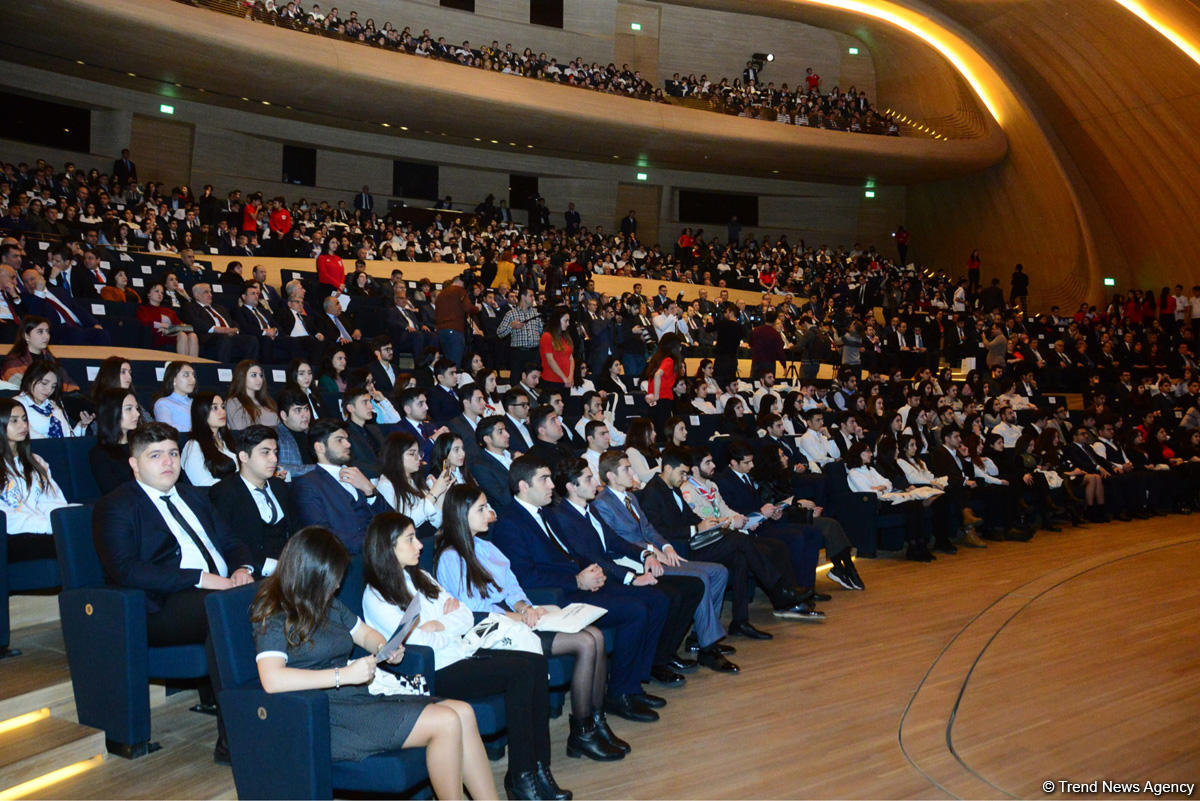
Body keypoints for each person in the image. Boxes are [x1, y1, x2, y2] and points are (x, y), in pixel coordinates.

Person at [251, 527, 497, 801]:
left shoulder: (327, 603)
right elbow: (272, 680)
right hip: (323, 713)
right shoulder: (274, 613)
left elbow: (364, 633)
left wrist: (384, 647)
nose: (336, 586)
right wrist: (342, 675)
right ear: (311, 573)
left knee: (463, 712)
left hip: (354, 698)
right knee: (447, 721)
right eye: (332, 579)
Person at [362, 512, 569, 800]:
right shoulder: (376, 595)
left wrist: (438, 625)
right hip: (434, 671)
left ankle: (538, 767)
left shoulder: (419, 576)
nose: (419, 545)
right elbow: (420, 644)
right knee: (521, 672)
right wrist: (440, 627)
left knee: (534, 662)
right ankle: (522, 777)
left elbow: (464, 614)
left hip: (461, 653)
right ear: (388, 546)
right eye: (410, 539)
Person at [94, 422, 256, 761]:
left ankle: (279, 716)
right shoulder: (117, 505)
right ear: (135, 464)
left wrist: (242, 569)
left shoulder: (194, 495)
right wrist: (199, 577)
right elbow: (124, 569)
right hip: (160, 606)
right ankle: (236, 740)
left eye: (172, 453)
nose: (167, 462)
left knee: (280, 595)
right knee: (223, 611)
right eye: (155, 456)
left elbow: (231, 541)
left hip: (222, 591)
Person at [434, 485, 627, 762]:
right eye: (481, 508)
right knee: (585, 641)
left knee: (595, 635)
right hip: (489, 634)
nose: (489, 513)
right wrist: (518, 616)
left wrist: (524, 606)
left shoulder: (486, 547)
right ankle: (582, 733)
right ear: (461, 515)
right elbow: (470, 611)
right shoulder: (451, 557)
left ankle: (596, 724)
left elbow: (512, 587)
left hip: (515, 621)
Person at [489, 455, 668, 723]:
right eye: (544, 479)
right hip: (556, 597)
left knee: (655, 600)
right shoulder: (509, 523)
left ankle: (632, 685)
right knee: (635, 609)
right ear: (524, 486)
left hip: (575, 585)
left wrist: (591, 570)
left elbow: (572, 554)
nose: (552, 485)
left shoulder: (545, 513)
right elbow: (525, 576)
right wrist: (576, 580)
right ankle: (619, 693)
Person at [551, 457, 733, 676]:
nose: (633, 474)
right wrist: (635, 572)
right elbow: (602, 552)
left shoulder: (616, 502)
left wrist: (660, 548)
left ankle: (686, 645)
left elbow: (645, 529)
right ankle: (675, 655)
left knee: (711, 575)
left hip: (639, 559)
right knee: (687, 586)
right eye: (626, 469)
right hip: (620, 567)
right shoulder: (595, 505)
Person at [292, 418, 389, 553]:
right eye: (339, 440)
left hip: (378, 557)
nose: (348, 444)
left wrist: (369, 489)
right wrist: (372, 544)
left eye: (347, 439)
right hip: (345, 562)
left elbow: (390, 520)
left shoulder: (358, 475)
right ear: (319, 447)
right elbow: (320, 534)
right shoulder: (308, 484)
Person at [210, 425, 294, 577]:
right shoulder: (224, 492)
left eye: (275, 452)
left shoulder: (279, 486)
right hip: (255, 574)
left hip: (292, 566)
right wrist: (278, 568)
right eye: (265, 452)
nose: (274, 459)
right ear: (243, 456)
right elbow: (229, 544)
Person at [0, 398, 73, 562]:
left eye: (24, 419)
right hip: (12, 535)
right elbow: (6, 515)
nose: (23, 426)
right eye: (14, 421)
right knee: (67, 542)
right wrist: (46, 526)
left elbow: (52, 499)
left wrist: (58, 522)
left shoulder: (36, 461)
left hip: (44, 529)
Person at [376, 431, 452, 531]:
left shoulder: (415, 480)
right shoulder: (386, 485)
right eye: (412, 454)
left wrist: (441, 494)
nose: (419, 458)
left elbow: (434, 523)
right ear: (396, 455)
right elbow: (409, 522)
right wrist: (434, 493)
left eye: (419, 453)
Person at [15, 361, 93, 438]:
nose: (49, 390)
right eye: (44, 383)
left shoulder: (54, 404)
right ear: (30, 380)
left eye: (53, 386)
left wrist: (82, 425)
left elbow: (68, 438)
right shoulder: (17, 404)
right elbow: (31, 439)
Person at [89, 389, 141, 494]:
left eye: (136, 408)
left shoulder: (142, 444)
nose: (137, 414)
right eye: (129, 409)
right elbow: (113, 492)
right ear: (112, 412)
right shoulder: (100, 454)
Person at [181, 392, 238, 487]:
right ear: (201, 412)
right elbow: (203, 483)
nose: (222, 412)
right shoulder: (194, 445)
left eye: (223, 407)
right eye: (215, 408)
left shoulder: (227, 440)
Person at [138, 282, 199, 356]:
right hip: (158, 335)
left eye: (162, 292)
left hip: (172, 332)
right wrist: (162, 325)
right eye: (157, 291)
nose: (160, 294)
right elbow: (144, 322)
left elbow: (180, 325)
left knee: (193, 335)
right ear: (148, 294)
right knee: (182, 334)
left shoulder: (169, 311)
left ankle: (193, 364)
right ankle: (183, 364)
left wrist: (168, 327)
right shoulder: (143, 309)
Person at [272, 386, 316, 478]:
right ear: (284, 415)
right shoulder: (275, 437)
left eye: (306, 409)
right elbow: (277, 469)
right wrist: (317, 469)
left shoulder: (314, 433)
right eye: (298, 410)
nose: (305, 415)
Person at [225, 360, 280, 430]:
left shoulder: (268, 401)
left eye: (261, 375)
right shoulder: (233, 402)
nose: (259, 379)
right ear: (242, 377)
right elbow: (240, 432)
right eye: (254, 375)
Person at [153, 361, 196, 433]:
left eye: (193, 375)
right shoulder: (163, 403)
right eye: (186, 375)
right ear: (174, 380)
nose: (193, 379)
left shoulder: (196, 402)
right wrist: (196, 431)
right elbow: (167, 428)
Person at [540, 307, 575, 390]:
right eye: (565, 321)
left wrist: (570, 376)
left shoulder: (565, 337)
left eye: (568, 321)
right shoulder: (547, 336)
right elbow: (550, 360)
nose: (568, 324)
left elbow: (571, 359)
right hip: (552, 380)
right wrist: (564, 378)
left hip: (566, 381)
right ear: (557, 321)